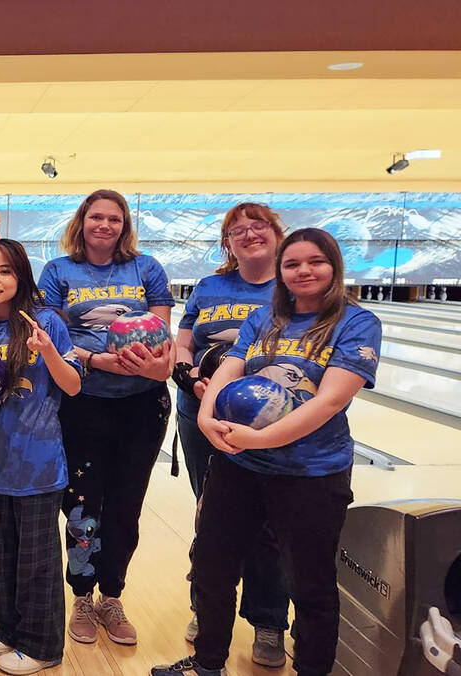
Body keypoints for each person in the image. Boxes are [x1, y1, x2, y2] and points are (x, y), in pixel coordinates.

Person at [152, 228, 381, 676]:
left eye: (315, 261)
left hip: (310, 472)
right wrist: (204, 415)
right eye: (292, 264)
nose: (303, 271)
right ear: (280, 271)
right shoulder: (265, 317)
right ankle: (207, 663)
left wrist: (259, 439)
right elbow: (232, 364)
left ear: (334, 266)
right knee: (212, 565)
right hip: (240, 468)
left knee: (309, 584)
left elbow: (331, 399)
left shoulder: (356, 322)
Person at [37, 189, 175, 646]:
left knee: (125, 506)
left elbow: (162, 335)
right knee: (81, 505)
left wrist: (157, 366)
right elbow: (53, 338)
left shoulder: (146, 268)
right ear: (82, 221)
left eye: (114, 218)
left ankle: (111, 596)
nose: (105, 225)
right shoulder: (59, 271)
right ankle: (80, 594)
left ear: (124, 224)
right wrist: (97, 361)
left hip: (142, 403)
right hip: (84, 402)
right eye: (96, 216)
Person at [171, 202, 290, 667]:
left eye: (257, 225)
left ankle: (268, 621)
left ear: (278, 234)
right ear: (227, 242)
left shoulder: (293, 287)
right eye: (237, 229)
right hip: (201, 413)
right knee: (212, 516)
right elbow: (184, 340)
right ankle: (208, 607)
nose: (248, 233)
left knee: (268, 524)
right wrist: (188, 376)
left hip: (275, 423)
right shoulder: (208, 286)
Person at [0, 239, 82, 676]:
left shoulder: (46, 321)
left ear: (22, 277)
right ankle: (9, 632)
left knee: (38, 563)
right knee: (2, 556)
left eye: (5, 271)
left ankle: (44, 646)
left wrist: (47, 349)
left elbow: (72, 386)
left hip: (38, 463)